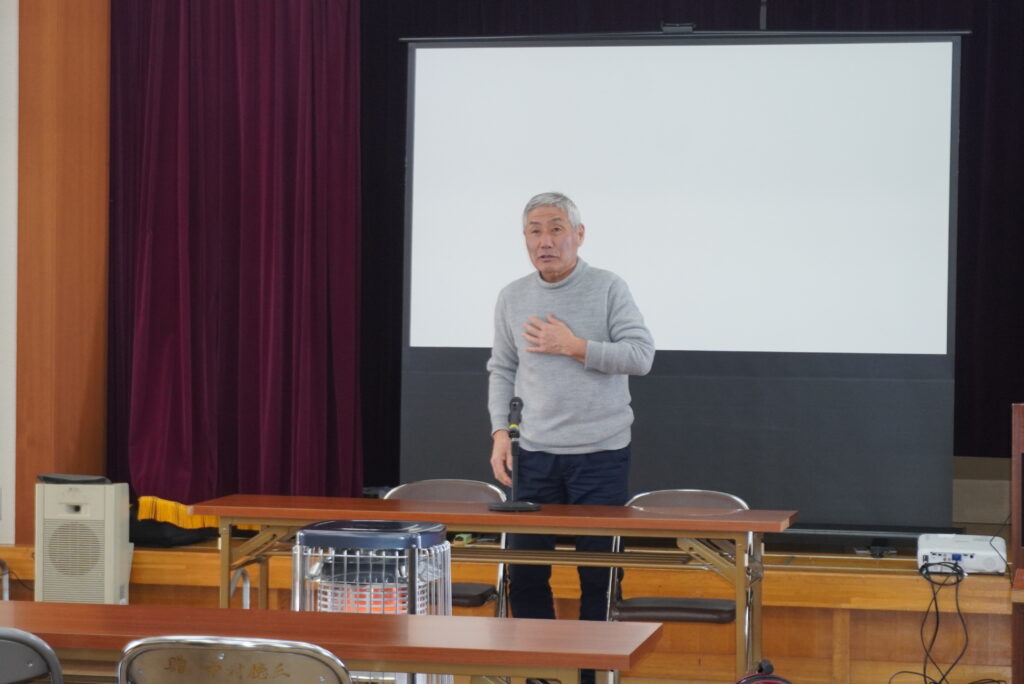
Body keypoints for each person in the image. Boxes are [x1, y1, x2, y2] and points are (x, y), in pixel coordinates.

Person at [487, 192, 655, 670]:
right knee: (525, 576)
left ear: (579, 235)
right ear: (525, 239)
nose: (545, 241)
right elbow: (502, 368)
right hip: (533, 455)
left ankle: (591, 677)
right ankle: (540, 675)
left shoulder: (607, 287)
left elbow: (641, 355)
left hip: (600, 456)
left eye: (556, 228)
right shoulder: (512, 296)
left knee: (599, 578)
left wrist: (575, 346)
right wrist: (500, 432)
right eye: (535, 231)